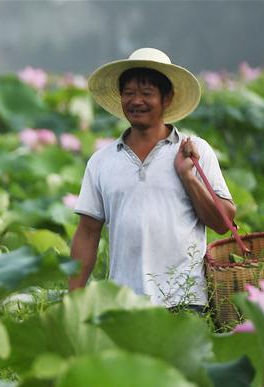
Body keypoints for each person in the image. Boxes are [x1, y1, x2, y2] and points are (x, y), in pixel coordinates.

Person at [69, 48, 236, 312]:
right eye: (129, 93)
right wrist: (73, 299)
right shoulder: (101, 161)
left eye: (146, 93)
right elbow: (87, 232)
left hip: (185, 301)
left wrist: (188, 177)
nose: (136, 101)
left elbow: (223, 222)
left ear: (167, 98)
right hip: (124, 304)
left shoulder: (195, 151)